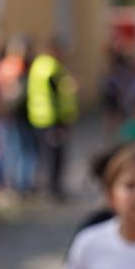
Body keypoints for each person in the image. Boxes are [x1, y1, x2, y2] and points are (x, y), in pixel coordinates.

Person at [27, 39, 78, 199]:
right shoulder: (51, 67)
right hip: (53, 119)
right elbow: (57, 94)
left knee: (45, 154)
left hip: (40, 117)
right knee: (54, 156)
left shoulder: (39, 65)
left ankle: (48, 186)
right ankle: (53, 188)